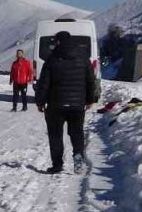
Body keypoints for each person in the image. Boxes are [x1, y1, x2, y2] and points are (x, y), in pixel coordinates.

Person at [34, 30, 100, 174]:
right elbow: (90, 81)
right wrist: (90, 100)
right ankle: (78, 159)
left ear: (58, 42)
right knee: (76, 133)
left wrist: (40, 101)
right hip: (77, 105)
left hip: (55, 105)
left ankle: (57, 165)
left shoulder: (52, 59)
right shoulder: (83, 58)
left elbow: (44, 83)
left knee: (55, 135)